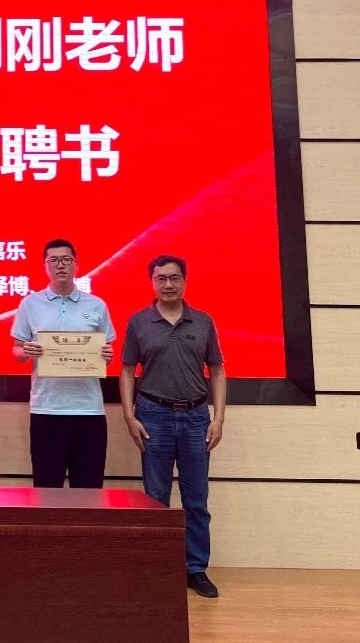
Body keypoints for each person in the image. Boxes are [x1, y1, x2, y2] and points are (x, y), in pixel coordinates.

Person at [119, 254, 226, 599]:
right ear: (152, 282)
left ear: (184, 281)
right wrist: (129, 416)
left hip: (196, 418)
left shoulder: (203, 321)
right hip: (154, 416)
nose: (168, 284)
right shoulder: (139, 322)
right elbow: (127, 370)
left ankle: (196, 569)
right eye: (161, 278)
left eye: (174, 278)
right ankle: (158, 568)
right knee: (156, 500)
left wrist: (218, 418)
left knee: (196, 500)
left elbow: (217, 371)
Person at [12, 238, 115, 488]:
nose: (60, 265)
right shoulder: (30, 304)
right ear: (45, 266)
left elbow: (107, 351)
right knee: (47, 489)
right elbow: (16, 350)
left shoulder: (96, 305)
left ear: (76, 265)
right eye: (54, 260)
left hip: (88, 410)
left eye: (66, 259)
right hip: (46, 409)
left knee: (89, 489)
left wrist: (106, 355)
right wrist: (25, 351)